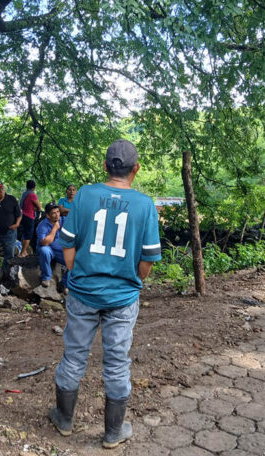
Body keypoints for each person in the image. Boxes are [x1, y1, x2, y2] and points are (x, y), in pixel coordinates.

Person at [49, 139, 162, 449]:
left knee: (74, 355)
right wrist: (132, 279)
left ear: (105, 166)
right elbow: (148, 261)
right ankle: (112, 432)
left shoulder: (84, 195)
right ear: (136, 169)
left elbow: (67, 245)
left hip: (83, 293)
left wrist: (77, 272)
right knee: (116, 362)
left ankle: (64, 419)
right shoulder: (145, 205)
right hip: (122, 298)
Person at [36, 203, 67, 288]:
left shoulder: (64, 220)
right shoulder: (42, 225)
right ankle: (46, 277)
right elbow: (45, 243)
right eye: (53, 213)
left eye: (58, 212)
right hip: (49, 249)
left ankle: (65, 284)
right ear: (48, 215)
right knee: (44, 250)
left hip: (60, 251)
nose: (57, 215)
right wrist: (55, 228)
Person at [18, 180, 42, 258]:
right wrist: (37, 207)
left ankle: (24, 251)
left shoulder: (24, 193)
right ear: (34, 187)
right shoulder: (32, 194)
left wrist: (34, 207)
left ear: (26, 186)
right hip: (29, 216)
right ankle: (22, 253)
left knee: (25, 234)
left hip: (22, 215)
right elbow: (39, 207)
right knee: (28, 235)